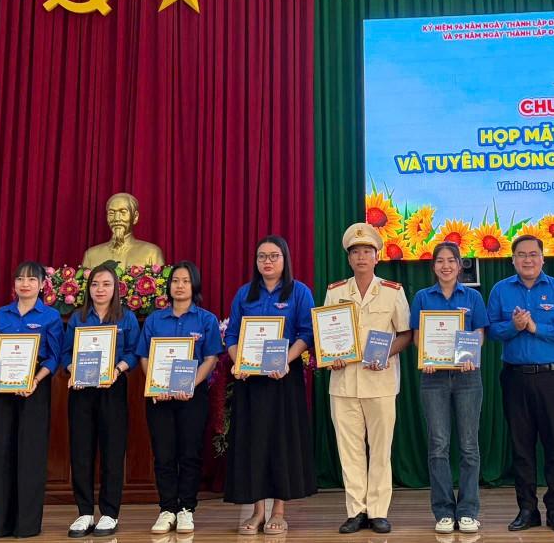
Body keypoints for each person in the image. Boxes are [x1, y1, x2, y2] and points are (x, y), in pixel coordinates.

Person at [223, 235, 317, 535]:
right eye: (262, 256)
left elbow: (307, 334)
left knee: (281, 443)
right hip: (250, 382)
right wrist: (238, 362)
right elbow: (232, 335)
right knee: (253, 443)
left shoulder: (299, 292)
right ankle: (257, 511)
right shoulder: (244, 293)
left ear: (284, 259)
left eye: (274, 256)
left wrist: (284, 361)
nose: (267, 261)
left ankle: (278, 510)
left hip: (283, 379)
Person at [487, 234, 554, 533]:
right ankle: (527, 509)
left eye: (533, 254)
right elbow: (491, 331)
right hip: (515, 378)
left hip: (552, 378)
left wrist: (535, 327)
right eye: (521, 255)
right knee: (521, 447)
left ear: (543, 258)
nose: (527, 259)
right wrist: (513, 327)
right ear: (512, 259)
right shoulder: (501, 290)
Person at [325, 224, 413, 535]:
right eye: (355, 252)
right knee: (349, 450)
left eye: (367, 251)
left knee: (380, 449)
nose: (361, 257)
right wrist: (330, 355)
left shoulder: (393, 291)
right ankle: (356, 511)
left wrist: (386, 352)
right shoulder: (335, 291)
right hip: (343, 382)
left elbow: (405, 334)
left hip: (381, 381)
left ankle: (378, 511)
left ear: (377, 257)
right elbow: (327, 334)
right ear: (349, 258)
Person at [0, 261, 63, 539]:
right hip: (2, 392)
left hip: (34, 391)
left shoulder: (50, 316)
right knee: (1, 453)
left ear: (42, 285)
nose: (25, 284)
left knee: (30, 455)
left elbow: (54, 357)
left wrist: (35, 380)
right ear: (13, 284)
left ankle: (26, 525)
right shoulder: (0, 314)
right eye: (20, 279)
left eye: (31, 279)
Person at [140, 261, 222, 534]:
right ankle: (167, 509)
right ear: (169, 285)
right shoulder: (155, 320)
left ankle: (186, 508)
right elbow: (144, 357)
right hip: (159, 398)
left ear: (194, 285)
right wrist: (156, 384)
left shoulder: (206, 320)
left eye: (186, 281)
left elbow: (210, 358)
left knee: (189, 453)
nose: (180, 285)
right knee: (163, 454)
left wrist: (190, 384)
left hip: (192, 397)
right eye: (175, 280)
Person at [411, 241, 487, 534]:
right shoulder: (422, 297)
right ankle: (443, 511)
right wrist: (426, 356)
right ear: (434, 266)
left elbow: (479, 333)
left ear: (459, 265)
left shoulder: (473, 297)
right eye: (440, 261)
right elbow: (417, 336)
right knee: (438, 445)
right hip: (433, 378)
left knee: (469, 445)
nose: (446, 266)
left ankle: (468, 510)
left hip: (468, 377)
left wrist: (470, 355)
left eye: (451, 261)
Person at [62, 264, 139, 537]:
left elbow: (134, 352)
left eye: (106, 284)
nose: (100, 289)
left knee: (112, 451)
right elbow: (65, 353)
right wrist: (73, 369)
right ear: (88, 288)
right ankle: (84, 512)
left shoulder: (127, 318)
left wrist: (117, 369)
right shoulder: (78, 318)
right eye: (95, 284)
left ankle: (109, 513)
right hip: (81, 390)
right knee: (81, 451)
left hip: (112, 388)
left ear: (115, 288)